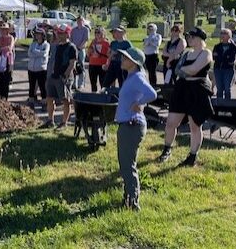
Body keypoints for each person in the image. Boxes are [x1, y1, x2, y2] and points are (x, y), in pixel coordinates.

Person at [158, 27, 214, 166]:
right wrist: (185, 71)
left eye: (192, 37)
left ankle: (192, 156)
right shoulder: (187, 54)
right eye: (188, 37)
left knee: (195, 125)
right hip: (182, 88)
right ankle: (167, 149)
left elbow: (193, 69)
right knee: (171, 122)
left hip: (197, 90)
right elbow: (177, 70)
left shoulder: (206, 53)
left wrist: (184, 70)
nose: (189, 39)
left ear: (200, 38)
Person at [114, 47, 157, 211]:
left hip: (131, 126)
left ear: (134, 62)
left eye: (126, 58)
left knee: (127, 165)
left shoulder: (137, 77)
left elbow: (152, 94)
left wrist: (138, 104)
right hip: (127, 125)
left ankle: (133, 202)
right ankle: (129, 198)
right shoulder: (132, 76)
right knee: (126, 163)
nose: (122, 60)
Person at [41, 24, 77, 130]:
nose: (59, 35)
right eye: (59, 33)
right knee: (49, 98)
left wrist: (65, 76)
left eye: (62, 33)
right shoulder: (58, 46)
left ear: (67, 34)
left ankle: (64, 123)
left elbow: (72, 64)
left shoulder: (71, 47)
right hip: (54, 75)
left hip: (64, 77)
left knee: (65, 100)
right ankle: (50, 121)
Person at [27, 27, 50, 109]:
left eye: (39, 34)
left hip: (41, 69)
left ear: (42, 35)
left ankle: (44, 102)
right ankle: (31, 101)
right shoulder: (33, 44)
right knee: (32, 86)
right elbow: (29, 54)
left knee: (42, 86)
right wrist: (38, 53)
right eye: (36, 34)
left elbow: (44, 54)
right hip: (31, 68)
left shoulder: (46, 45)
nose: (37, 35)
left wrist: (35, 52)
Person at [212, 28, 236, 99]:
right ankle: (219, 103)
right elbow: (214, 57)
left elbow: (232, 60)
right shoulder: (217, 46)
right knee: (219, 88)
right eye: (221, 33)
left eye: (225, 33)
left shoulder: (233, 47)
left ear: (229, 36)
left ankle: (227, 103)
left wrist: (221, 57)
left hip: (228, 70)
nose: (222, 35)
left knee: (227, 88)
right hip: (218, 69)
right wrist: (225, 57)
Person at [0, 23, 15, 100]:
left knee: (6, 78)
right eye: (2, 29)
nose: (3, 31)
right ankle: (0, 95)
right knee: (0, 78)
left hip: (8, 60)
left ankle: (5, 96)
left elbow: (10, 48)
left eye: (5, 29)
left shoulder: (11, 37)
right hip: (0, 59)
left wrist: (1, 49)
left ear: (7, 30)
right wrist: (1, 49)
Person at [88, 26, 110, 92]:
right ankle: (94, 95)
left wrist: (107, 64)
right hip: (92, 64)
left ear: (103, 33)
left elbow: (109, 55)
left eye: (98, 32)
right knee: (93, 83)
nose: (97, 34)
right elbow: (88, 53)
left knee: (103, 83)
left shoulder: (106, 43)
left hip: (102, 65)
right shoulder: (93, 42)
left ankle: (103, 96)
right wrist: (90, 51)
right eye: (95, 32)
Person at [71, 16, 90, 90]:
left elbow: (85, 40)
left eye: (81, 20)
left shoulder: (86, 29)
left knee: (81, 66)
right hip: (74, 50)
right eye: (78, 21)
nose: (79, 22)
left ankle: (81, 83)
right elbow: (71, 39)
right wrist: (74, 48)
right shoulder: (73, 30)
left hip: (81, 50)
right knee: (74, 66)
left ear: (83, 21)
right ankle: (74, 83)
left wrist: (79, 47)